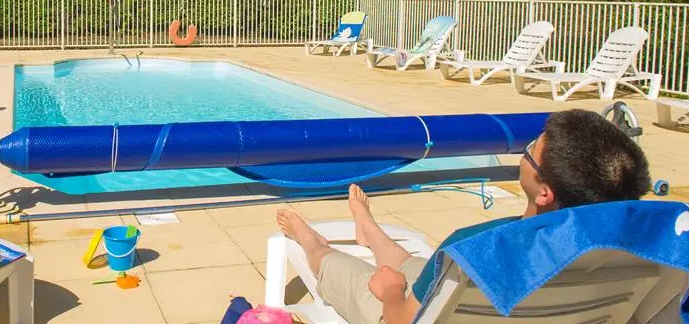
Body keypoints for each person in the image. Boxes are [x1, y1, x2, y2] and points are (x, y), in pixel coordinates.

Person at [276, 109, 651, 324]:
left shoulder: (480, 246)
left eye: (530, 151)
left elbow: (405, 320)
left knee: (345, 269)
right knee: (417, 267)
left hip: (404, 312)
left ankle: (314, 244)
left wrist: (390, 296)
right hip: (471, 294)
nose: (524, 153)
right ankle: (369, 230)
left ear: (544, 191)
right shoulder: (634, 257)